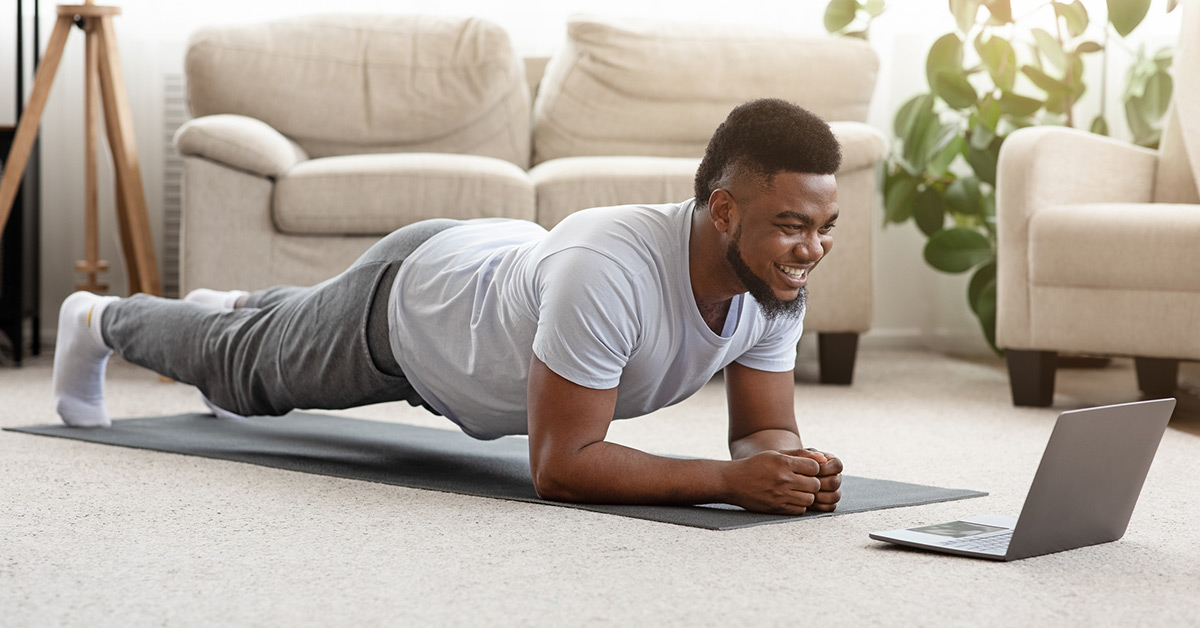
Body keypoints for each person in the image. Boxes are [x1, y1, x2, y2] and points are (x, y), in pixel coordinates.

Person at [52, 98, 844, 515]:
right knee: (241, 376)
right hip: (412, 313)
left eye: (824, 228)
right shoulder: (610, 268)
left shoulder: (771, 282)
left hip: (487, 276)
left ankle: (241, 305)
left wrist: (787, 467)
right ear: (725, 211)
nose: (810, 249)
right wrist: (729, 482)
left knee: (270, 329)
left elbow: (761, 430)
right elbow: (561, 467)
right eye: (792, 225)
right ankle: (96, 320)